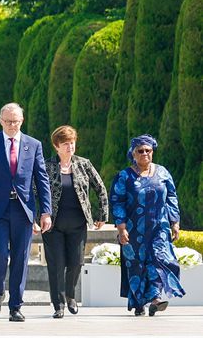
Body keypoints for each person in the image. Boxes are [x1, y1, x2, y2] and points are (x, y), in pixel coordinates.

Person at [0, 102, 52, 322]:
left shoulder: (33, 145)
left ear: (22, 121)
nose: (12, 125)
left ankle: (16, 306)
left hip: (23, 209)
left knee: (20, 258)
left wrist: (46, 211)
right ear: (0, 121)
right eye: (8, 121)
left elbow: (41, 179)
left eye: (16, 121)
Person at [111, 134, 184, 316]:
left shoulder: (163, 173)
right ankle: (139, 303)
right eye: (140, 151)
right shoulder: (124, 176)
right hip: (133, 230)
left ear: (152, 152)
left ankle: (156, 298)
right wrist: (121, 228)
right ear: (133, 154)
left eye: (148, 151)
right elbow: (117, 201)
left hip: (159, 227)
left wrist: (175, 222)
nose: (145, 153)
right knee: (136, 265)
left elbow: (172, 197)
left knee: (159, 259)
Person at [43, 125, 106, 318]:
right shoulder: (47, 166)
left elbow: (100, 187)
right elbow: (35, 192)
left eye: (72, 143)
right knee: (56, 265)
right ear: (56, 146)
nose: (70, 147)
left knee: (76, 262)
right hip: (53, 225)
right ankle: (58, 304)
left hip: (77, 223)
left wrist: (102, 214)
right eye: (65, 144)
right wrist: (38, 216)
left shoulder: (83, 164)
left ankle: (70, 295)